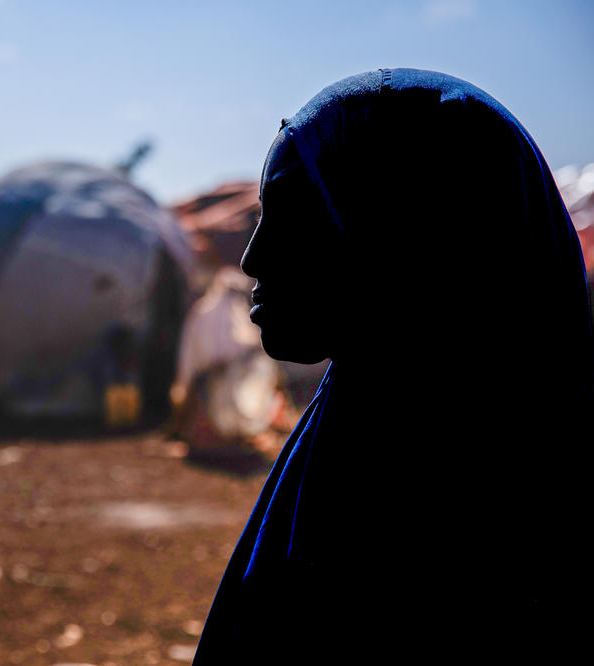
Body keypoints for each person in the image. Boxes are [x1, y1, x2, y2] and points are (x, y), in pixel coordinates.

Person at [192, 69, 592, 660]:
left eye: (293, 215)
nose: (253, 258)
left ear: (411, 238)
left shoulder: (496, 546)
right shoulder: (348, 440)